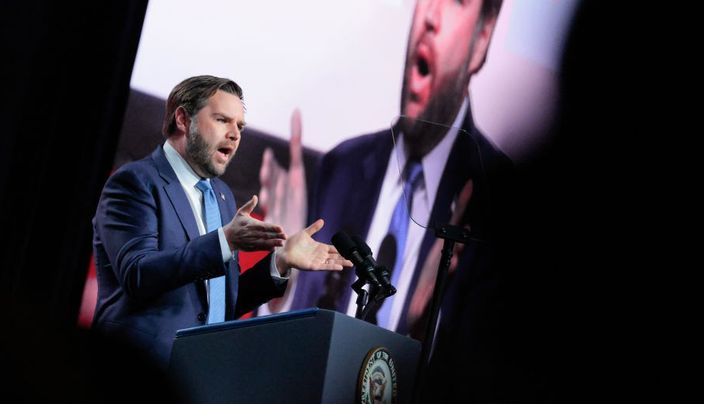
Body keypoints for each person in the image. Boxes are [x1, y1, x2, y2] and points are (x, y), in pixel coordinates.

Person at [283, 0, 511, 338]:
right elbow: (298, 340)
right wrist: (281, 286)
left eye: (456, 2)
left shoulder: (503, 204)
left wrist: (426, 332)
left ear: (482, 39)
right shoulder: (340, 169)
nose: (430, 17)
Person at [91, 75, 350, 368]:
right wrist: (224, 241)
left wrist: (279, 262)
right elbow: (137, 275)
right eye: (222, 120)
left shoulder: (221, 197)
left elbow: (221, 304)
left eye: (240, 126)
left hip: (202, 376)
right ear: (182, 119)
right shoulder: (136, 182)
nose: (235, 134)